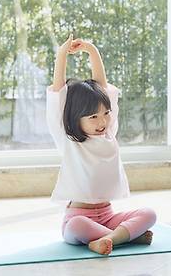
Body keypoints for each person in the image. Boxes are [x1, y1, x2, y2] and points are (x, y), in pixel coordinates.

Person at [47, 34, 156, 254]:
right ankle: (124, 237)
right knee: (77, 227)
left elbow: (103, 88)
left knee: (149, 214)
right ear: (74, 118)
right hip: (79, 218)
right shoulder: (69, 139)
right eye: (93, 117)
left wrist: (91, 50)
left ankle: (111, 239)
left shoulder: (108, 133)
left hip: (108, 216)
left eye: (105, 114)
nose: (102, 121)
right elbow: (58, 92)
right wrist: (61, 55)